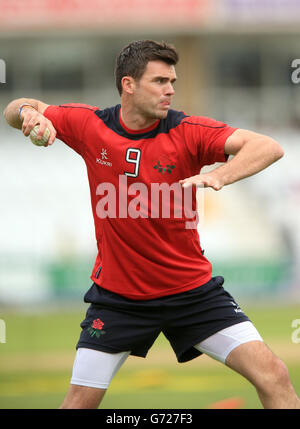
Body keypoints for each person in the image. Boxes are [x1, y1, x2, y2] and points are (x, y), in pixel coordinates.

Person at [3, 40, 300, 410]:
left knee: (274, 375)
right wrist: (29, 114)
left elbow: (268, 146)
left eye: (172, 81)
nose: (170, 90)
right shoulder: (88, 124)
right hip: (118, 300)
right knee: (77, 403)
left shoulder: (189, 130)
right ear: (129, 85)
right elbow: (14, 108)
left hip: (193, 294)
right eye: (160, 81)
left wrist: (220, 175)